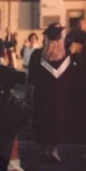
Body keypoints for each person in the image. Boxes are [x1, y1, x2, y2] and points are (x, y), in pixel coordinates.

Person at [27, 23, 74, 162]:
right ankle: (52, 149)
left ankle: (48, 149)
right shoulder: (65, 56)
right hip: (56, 99)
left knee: (48, 119)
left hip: (47, 99)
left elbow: (31, 80)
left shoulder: (38, 55)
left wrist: (28, 96)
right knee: (52, 120)